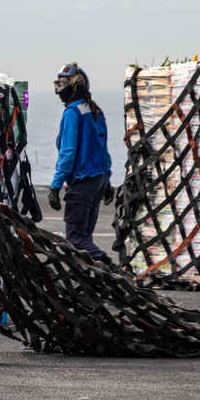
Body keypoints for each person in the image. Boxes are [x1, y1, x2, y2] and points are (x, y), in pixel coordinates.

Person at [48, 62, 121, 274]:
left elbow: (68, 152)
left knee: (76, 239)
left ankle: (113, 271)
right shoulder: (94, 110)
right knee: (84, 237)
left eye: (64, 84)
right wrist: (107, 182)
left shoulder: (72, 112)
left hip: (81, 183)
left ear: (76, 86)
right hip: (97, 180)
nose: (60, 90)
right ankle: (86, 281)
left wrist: (55, 186)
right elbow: (102, 151)